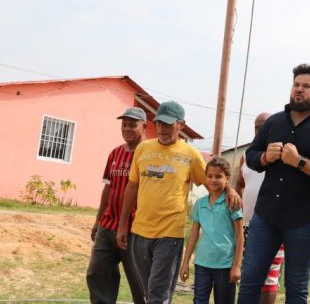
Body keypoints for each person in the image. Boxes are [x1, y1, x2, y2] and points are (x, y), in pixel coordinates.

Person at [238, 64, 310, 304]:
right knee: (250, 279)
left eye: (307, 86)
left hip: (304, 219)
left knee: (296, 286)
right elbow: (251, 155)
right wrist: (265, 157)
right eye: (296, 85)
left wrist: (299, 162)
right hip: (266, 216)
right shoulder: (273, 123)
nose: (299, 90)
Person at [116, 101, 240, 304]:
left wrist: (230, 188)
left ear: (181, 125)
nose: (162, 129)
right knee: (148, 292)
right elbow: (131, 187)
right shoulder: (143, 149)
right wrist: (123, 224)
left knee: (158, 294)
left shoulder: (190, 155)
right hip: (140, 232)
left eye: (168, 124)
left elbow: (212, 181)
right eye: (159, 124)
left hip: (169, 234)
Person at [86, 107, 147, 304]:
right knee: (97, 274)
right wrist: (98, 220)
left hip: (135, 230)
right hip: (108, 226)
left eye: (133, 124)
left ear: (144, 127)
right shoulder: (115, 154)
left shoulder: (148, 155)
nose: (127, 128)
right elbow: (108, 189)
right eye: (124, 124)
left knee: (140, 283)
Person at [235, 112, 284, 304]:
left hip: (273, 225)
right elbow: (239, 183)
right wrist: (237, 201)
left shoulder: (282, 156)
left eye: (264, 126)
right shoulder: (246, 156)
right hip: (246, 226)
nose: (259, 130)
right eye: (257, 126)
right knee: (248, 275)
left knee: (269, 278)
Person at [180, 158, 244, 304]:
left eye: (218, 176)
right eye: (209, 176)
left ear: (227, 178)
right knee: (199, 301)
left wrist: (236, 266)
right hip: (202, 263)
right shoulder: (200, 204)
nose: (213, 180)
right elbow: (193, 235)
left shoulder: (232, 202)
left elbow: (240, 237)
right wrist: (185, 263)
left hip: (225, 265)